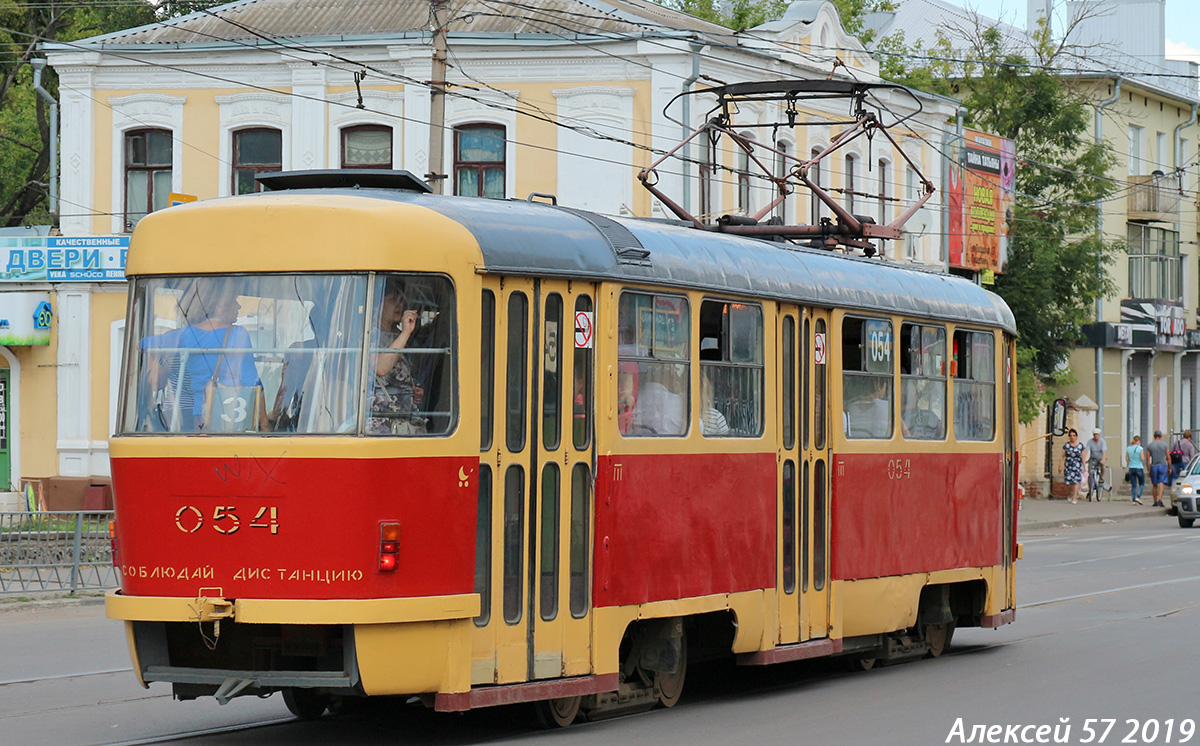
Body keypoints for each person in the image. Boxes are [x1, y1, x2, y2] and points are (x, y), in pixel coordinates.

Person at [141, 281, 264, 432]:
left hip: (199, 415)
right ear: (220, 305)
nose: (239, 306)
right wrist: (264, 423)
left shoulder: (185, 334)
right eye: (234, 300)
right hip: (232, 412)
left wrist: (153, 360)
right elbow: (252, 382)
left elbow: (143, 344)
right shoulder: (238, 334)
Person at [368, 281, 426, 435]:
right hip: (382, 422)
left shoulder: (394, 336)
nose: (399, 305)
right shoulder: (370, 334)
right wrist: (405, 333)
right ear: (377, 306)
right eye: (393, 300)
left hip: (401, 418)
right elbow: (380, 368)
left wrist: (411, 391)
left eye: (401, 301)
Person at [1146, 430, 1170, 507]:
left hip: (1154, 466)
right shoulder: (1165, 445)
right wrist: (1169, 467)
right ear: (1161, 436)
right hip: (1162, 465)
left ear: (1154, 436)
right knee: (1162, 483)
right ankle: (1160, 499)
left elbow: (1147, 459)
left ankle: (1155, 501)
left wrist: (1148, 469)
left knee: (1154, 484)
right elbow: (1168, 457)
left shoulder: (1150, 446)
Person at [1061, 428, 1085, 504]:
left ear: (1076, 436)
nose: (1072, 437)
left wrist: (1084, 467)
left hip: (1077, 465)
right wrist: (1060, 466)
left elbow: (1083, 456)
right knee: (1068, 482)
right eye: (1071, 436)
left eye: (1074, 435)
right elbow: (1062, 456)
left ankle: (1074, 497)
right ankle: (1070, 494)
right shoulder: (1067, 445)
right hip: (1068, 465)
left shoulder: (1080, 446)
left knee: (1076, 481)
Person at [1084, 428, 1108, 501]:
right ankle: (1090, 487)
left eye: (1097, 435)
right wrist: (1084, 459)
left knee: (1103, 465)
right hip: (1093, 458)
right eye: (1094, 435)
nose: (1096, 436)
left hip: (1100, 458)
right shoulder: (1090, 442)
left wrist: (1103, 460)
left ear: (1099, 435)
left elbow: (1104, 452)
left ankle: (1102, 477)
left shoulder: (1102, 442)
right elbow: (1086, 450)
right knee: (1090, 472)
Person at [1124, 435, 1145, 505]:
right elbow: (1142, 458)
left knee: (1134, 485)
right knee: (1141, 483)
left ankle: (1133, 500)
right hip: (1139, 467)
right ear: (1138, 441)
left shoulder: (1128, 448)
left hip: (1131, 467)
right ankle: (1138, 497)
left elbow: (1127, 459)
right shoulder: (1140, 448)